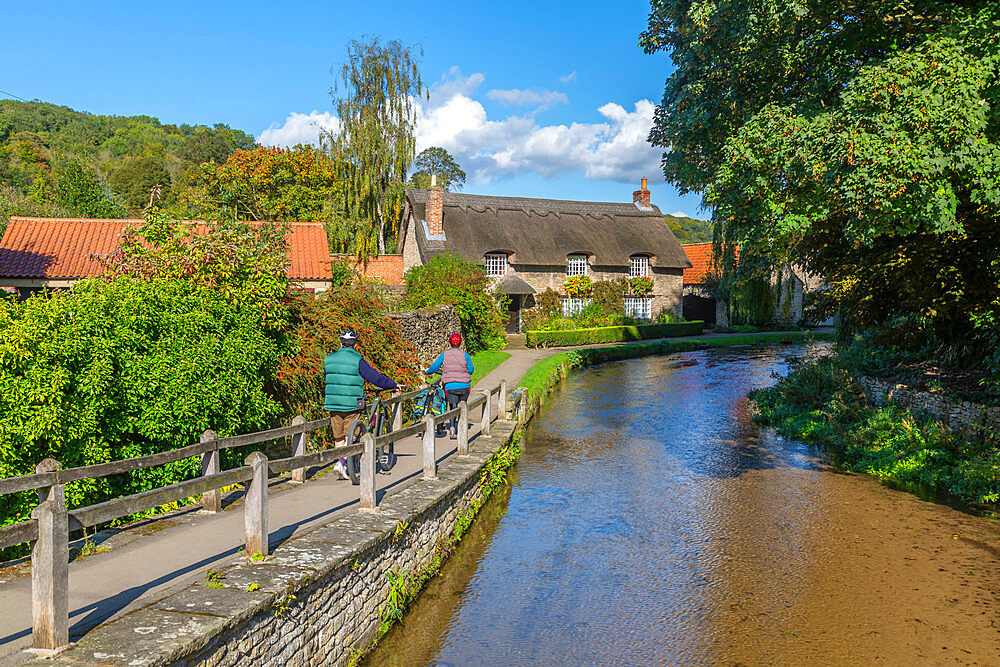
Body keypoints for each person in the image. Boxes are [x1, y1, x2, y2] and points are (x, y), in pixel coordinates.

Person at [324, 331, 403, 480]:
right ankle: (342, 463)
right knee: (351, 436)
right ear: (355, 345)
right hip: (351, 404)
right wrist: (392, 384)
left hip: (333, 404)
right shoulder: (357, 360)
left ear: (340, 343)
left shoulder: (329, 359)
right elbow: (375, 378)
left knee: (338, 437)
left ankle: (341, 464)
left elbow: (327, 378)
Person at [425, 333, 474, 439]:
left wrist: (428, 372)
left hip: (450, 387)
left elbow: (435, 367)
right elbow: (471, 370)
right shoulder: (465, 355)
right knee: (462, 406)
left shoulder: (445, 354)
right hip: (465, 386)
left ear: (450, 342)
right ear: (460, 343)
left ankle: (452, 428)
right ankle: (462, 428)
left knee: (452, 406)